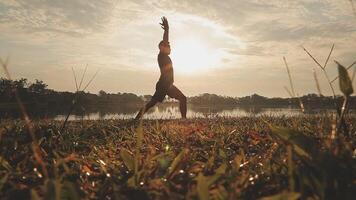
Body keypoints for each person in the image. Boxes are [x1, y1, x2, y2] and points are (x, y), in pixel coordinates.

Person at [135, 17, 187, 120]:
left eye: (169, 46)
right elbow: (165, 40)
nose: (170, 47)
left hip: (168, 85)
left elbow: (166, 42)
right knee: (152, 103)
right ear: (162, 48)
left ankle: (184, 119)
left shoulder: (165, 56)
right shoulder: (162, 56)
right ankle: (136, 119)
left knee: (182, 98)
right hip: (163, 85)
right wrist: (166, 30)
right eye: (168, 46)